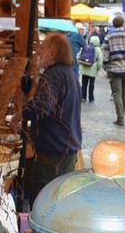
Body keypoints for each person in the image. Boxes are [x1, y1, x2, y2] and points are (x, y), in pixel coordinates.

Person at [21, 33, 82, 204]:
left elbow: (42, 107)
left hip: (55, 152)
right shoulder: (70, 74)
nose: (38, 52)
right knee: (58, 200)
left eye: (42, 48)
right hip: (64, 149)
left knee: (46, 202)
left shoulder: (53, 75)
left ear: (53, 54)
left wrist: (22, 114)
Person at [102, 15, 125, 127]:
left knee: (117, 92)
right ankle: (123, 113)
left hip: (114, 68)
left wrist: (105, 64)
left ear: (113, 24)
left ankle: (120, 117)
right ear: (123, 24)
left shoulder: (109, 37)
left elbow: (106, 53)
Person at [78, 35, 103, 102]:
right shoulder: (98, 50)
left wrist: (81, 63)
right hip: (93, 70)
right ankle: (91, 98)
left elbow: (78, 56)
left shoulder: (86, 47)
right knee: (91, 85)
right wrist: (98, 68)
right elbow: (100, 61)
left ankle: (83, 97)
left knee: (84, 84)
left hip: (84, 69)